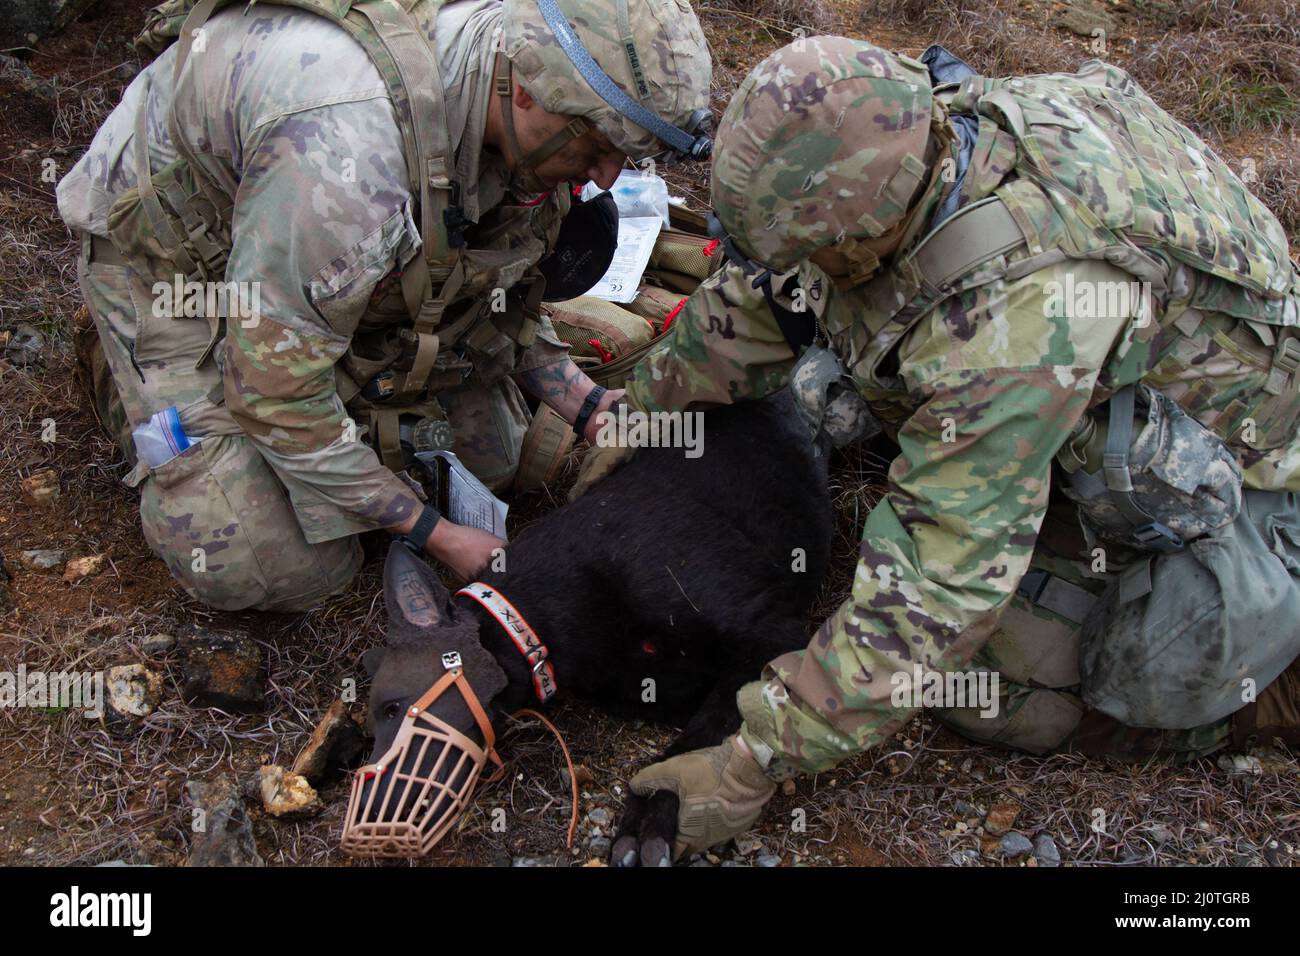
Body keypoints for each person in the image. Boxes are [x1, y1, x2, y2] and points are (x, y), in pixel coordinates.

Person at [600, 37, 1300, 861]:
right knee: (839, 376)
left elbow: (935, 594)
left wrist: (750, 760)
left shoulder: (1025, 317)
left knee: (1000, 693)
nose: (808, 270)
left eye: (822, 252)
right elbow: (763, 295)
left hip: (1234, 473)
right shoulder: (917, 130)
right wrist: (641, 414)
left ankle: (1270, 688)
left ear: (872, 225)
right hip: (1087, 407)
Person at [57, 0, 712, 610]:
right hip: (172, 261)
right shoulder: (350, 154)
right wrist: (435, 535)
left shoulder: (508, 87)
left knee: (496, 454)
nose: (603, 178)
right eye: (595, 148)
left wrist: (588, 403)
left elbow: (505, 275)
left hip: (303, 248)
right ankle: (137, 376)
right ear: (527, 90)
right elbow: (274, 392)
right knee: (270, 561)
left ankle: (320, 338)